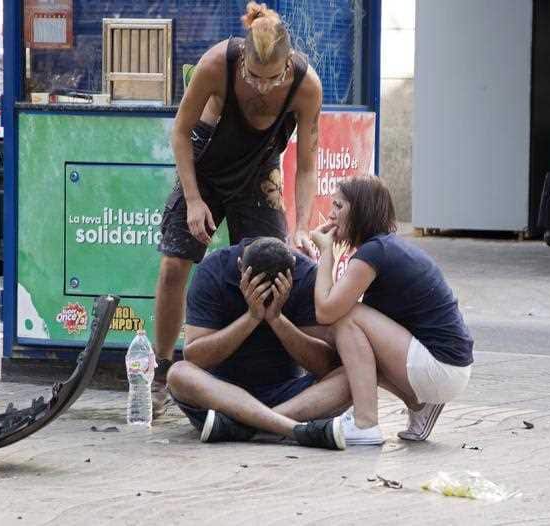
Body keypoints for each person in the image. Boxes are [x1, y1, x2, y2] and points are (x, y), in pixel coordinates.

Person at [152, 2, 322, 417]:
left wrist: (302, 225)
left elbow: (307, 164)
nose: (263, 88)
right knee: (175, 265)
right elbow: (179, 132)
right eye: (254, 77)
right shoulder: (216, 64)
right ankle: (161, 371)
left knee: (270, 264)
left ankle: (266, 372)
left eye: (272, 79)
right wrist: (193, 200)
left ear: (288, 68)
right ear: (243, 59)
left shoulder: (305, 85)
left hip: (258, 174)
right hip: (206, 165)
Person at [310, 176, 474, 445]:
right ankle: (419, 406)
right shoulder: (384, 247)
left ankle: (365, 424)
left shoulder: (373, 253)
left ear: (360, 209)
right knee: (353, 342)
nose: (331, 214)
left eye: (338, 206)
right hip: (449, 368)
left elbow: (326, 312)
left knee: (346, 318)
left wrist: (326, 253)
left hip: (442, 367)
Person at [166, 237, 348, 450]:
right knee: (178, 373)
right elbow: (195, 357)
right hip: (221, 395)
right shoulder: (213, 270)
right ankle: (291, 429)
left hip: (288, 397)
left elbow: (325, 365)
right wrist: (252, 317)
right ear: (240, 266)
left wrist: (277, 319)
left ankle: (248, 426)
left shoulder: (306, 275)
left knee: (355, 375)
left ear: (292, 271)